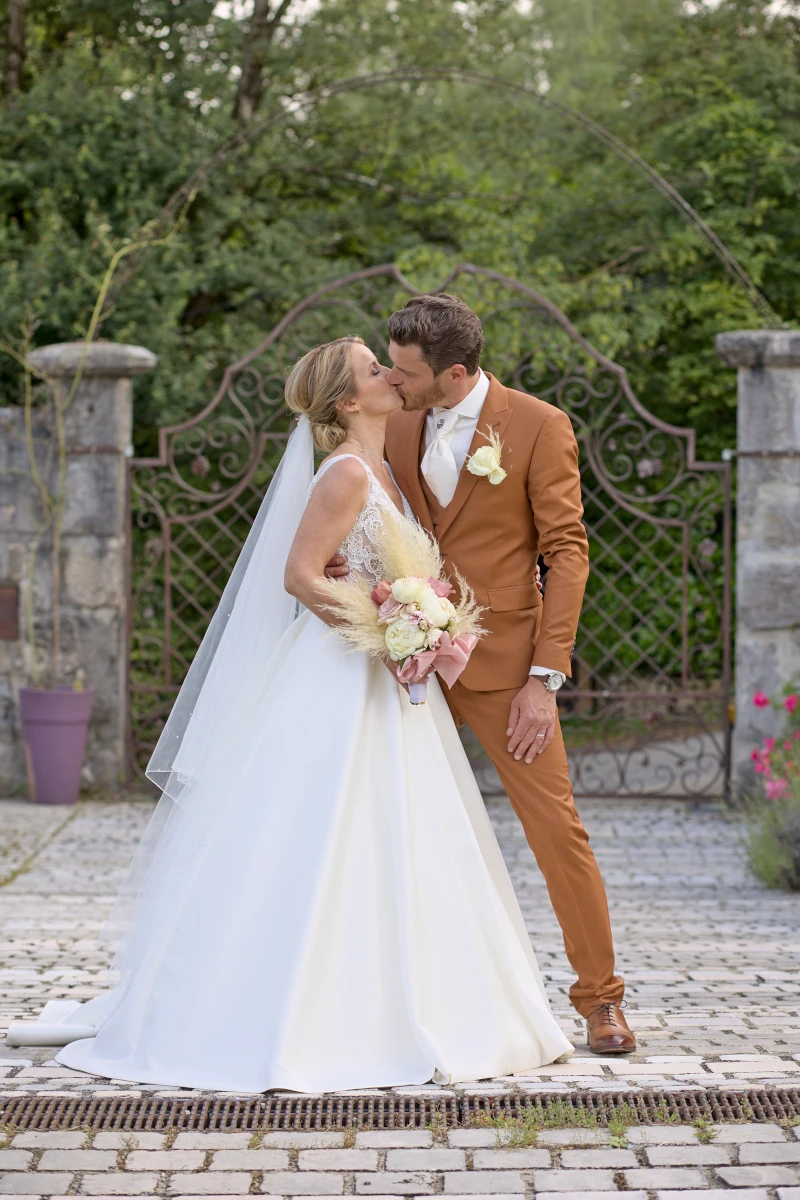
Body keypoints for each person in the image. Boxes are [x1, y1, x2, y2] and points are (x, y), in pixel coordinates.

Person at [7, 336, 572, 1092]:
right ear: (348, 400)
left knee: (404, 833)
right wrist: (387, 626)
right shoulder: (343, 474)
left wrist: (411, 618)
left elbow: (373, 564)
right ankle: (297, 1008)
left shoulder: (387, 469)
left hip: (388, 681)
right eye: (376, 369)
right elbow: (299, 576)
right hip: (343, 672)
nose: (390, 376)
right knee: (320, 830)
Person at [327, 296, 635, 1054]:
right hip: (402, 661)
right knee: (372, 828)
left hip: (503, 669)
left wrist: (546, 677)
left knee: (556, 832)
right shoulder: (391, 420)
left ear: (455, 372)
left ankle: (601, 1002)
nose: (393, 381)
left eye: (405, 371)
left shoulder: (536, 425)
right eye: (390, 368)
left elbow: (566, 553)